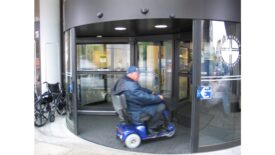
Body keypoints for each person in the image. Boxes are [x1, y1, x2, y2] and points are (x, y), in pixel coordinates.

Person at [112, 66, 167, 133]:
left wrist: (150, 92)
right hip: (136, 113)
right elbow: (144, 99)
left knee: (155, 102)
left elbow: (139, 89)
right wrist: (158, 98)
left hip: (130, 109)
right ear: (131, 74)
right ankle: (152, 127)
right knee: (161, 106)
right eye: (138, 74)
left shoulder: (123, 81)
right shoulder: (131, 86)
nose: (139, 76)